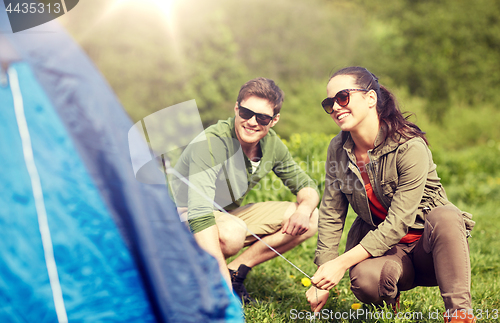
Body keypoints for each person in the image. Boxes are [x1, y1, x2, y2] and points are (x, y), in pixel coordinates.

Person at [306, 67, 476, 323]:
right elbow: (331, 213)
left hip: (430, 250)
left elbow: (398, 223)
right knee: (365, 282)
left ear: (370, 98)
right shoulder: (337, 149)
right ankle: (390, 294)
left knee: (447, 216)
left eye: (343, 97)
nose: (336, 107)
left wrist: (340, 263)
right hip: (388, 251)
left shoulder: (409, 145)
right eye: (329, 103)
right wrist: (322, 275)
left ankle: (459, 314)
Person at [171, 77, 319, 304]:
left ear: (274, 120)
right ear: (236, 109)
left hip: (223, 216)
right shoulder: (212, 143)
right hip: (181, 220)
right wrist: (222, 289)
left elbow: (306, 186)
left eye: (262, 117)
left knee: (312, 217)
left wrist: (304, 209)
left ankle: (234, 271)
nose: (252, 122)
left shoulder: (272, 145)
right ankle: (198, 278)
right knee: (232, 234)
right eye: (246, 113)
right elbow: (199, 214)